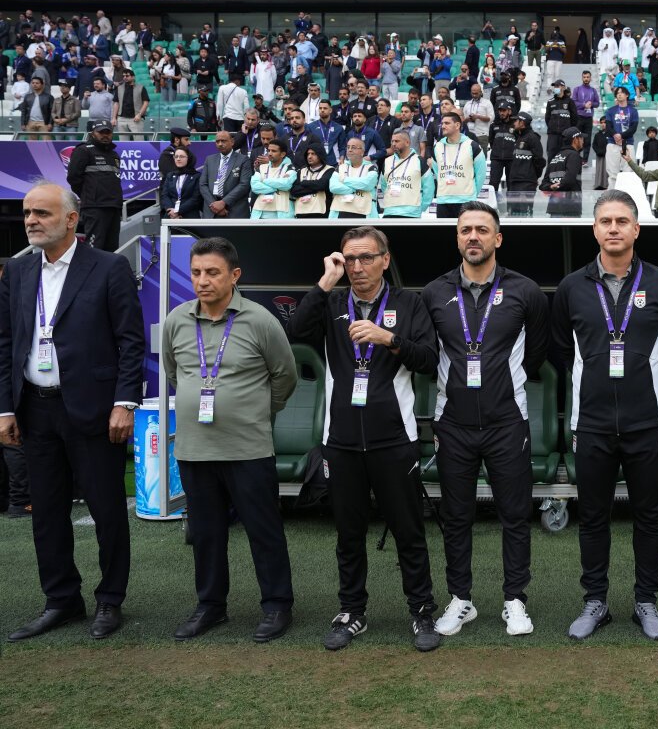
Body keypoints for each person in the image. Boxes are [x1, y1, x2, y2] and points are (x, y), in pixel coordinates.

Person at [1, 182, 144, 642]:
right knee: (46, 512)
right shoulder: (17, 271)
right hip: (34, 409)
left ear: (71, 219)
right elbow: (6, 344)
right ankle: (61, 600)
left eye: (41, 213)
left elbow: (130, 341)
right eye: (27, 213)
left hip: (95, 411)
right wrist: (4, 410)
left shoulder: (109, 267)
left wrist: (124, 402)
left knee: (107, 509)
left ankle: (110, 599)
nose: (30, 220)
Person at [289, 226, 440, 652]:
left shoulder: (409, 303)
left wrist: (388, 338)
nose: (357, 267)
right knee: (348, 533)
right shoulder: (332, 302)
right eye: (349, 259)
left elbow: (429, 360)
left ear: (385, 260)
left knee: (408, 531)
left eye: (366, 258)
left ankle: (421, 611)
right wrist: (325, 280)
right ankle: (352, 611)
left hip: (394, 439)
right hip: (340, 442)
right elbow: (296, 333)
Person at [551, 191, 658, 641]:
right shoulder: (571, 287)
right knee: (593, 517)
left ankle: (646, 601)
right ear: (594, 229)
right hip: (590, 424)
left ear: (636, 229)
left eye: (622, 221)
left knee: (649, 517)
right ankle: (596, 601)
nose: (613, 228)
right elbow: (560, 349)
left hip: (647, 422)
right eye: (605, 221)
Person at [419, 202, 549, 638]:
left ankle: (515, 600)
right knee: (456, 517)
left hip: (507, 421)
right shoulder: (434, 292)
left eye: (481, 229)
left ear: (498, 238)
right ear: (457, 238)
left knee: (514, 515)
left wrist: (500, 386)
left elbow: (536, 355)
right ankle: (461, 600)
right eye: (465, 230)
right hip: (452, 423)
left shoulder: (525, 291)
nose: (472, 236)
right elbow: (426, 356)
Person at [162, 237, 297, 643]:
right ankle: (210, 606)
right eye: (196, 273)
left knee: (263, 530)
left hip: (248, 448)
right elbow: (174, 373)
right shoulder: (177, 320)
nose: (202, 281)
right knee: (205, 533)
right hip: (195, 449)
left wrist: (257, 413)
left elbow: (285, 375)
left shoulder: (260, 320)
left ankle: (277, 605)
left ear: (235, 275)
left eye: (212, 272)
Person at [65, 120, 123, 252]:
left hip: (114, 206)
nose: (105, 135)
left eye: (108, 132)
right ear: (92, 133)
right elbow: (73, 178)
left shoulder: (114, 154)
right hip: (95, 207)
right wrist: (88, 195)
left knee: (112, 249)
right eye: (101, 132)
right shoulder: (83, 150)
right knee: (94, 247)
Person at [431, 113, 486, 218]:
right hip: (443, 201)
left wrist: (471, 195)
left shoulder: (472, 146)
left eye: (447, 123)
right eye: (442, 123)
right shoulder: (437, 146)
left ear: (457, 125)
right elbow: (437, 172)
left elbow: (481, 174)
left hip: (466, 200)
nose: (443, 126)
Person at [380, 129, 435, 218]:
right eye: (392, 141)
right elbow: (384, 185)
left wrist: (421, 208)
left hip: (411, 213)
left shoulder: (419, 161)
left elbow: (429, 187)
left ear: (407, 143)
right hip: (389, 211)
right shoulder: (387, 161)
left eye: (397, 141)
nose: (393, 144)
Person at [199, 131, 254, 219]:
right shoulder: (209, 159)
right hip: (212, 211)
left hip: (235, 210)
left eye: (223, 141)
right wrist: (214, 205)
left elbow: (244, 184)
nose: (220, 144)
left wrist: (223, 202)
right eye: (217, 141)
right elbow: (202, 184)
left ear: (232, 142)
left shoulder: (243, 159)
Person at [328, 138, 380, 220]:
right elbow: (333, 187)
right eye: (348, 147)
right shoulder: (340, 167)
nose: (350, 150)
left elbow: (367, 184)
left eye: (353, 147)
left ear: (362, 152)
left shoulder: (371, 168)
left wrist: (343, 180)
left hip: (363, 213)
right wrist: (355, 189)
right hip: (341, 212)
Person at [540, 128, 586, 217]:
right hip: (570, 207)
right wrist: (559, 186)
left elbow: (543, 185)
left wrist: (551, 187)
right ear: (575, 139)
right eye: (581, 138)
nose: (583, 141)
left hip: (554, 207)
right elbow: (569, 180)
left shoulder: (555, 157)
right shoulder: (574, 155)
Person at [250, 139, 298, 219]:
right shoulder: (261, 167)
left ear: (282, 154)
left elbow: (286, 185)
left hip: (282, 213)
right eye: (268, 150)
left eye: (274, 151)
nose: (270, 153)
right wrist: (277, 188)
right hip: (260, 213)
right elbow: (255, 187)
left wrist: (264, 181)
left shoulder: (290, 167)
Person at [603, 87, 638, 189]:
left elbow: (633, 128)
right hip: (612, 143)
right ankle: (612, 195)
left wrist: (621, 136)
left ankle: (626, 194)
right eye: (617, 93)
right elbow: (608, 126)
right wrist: (615, 135)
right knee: (612, 173)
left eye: (622, 93)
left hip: (627, 143)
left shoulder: (633, 111)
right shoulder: (610, 111)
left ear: (627, 95)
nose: (619, 94)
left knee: (628, 172)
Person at [160, 147, 202, 219]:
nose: (178, 159)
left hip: (189, 216)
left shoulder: (197, 176)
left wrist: (177, 211)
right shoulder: (170, 175)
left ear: (189, 158)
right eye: (176, 157)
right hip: (170, 216)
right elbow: (165, 195)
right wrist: (170, 210)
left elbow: (195, 198)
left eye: (181, 156)